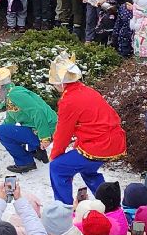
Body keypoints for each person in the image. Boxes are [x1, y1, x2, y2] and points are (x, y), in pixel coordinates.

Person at [45, 52, 127, 203]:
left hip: (99, 145)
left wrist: (55, 155)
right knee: (88, 170)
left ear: (61, 83)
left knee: (58, 168)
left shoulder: (69, 100)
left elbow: (63, 133)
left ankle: (63, 208)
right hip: (114, 141)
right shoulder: (87, 90)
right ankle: (109, 203)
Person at [0, 64, 57, 175]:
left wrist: (45, 137)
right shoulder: (11, 96)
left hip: (47, 130)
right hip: (40, 129)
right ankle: (38, 151)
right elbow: (10, 119)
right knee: (5, 131)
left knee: (2, 131)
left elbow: (37, 112)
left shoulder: (15, 95)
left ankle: (25, 162)